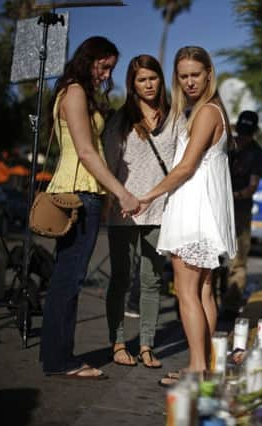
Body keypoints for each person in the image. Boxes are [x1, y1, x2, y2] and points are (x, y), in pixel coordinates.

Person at [40, 36, 140, 379]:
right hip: (79, 192)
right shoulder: (76, 92)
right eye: (103, 65)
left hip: (79, 190)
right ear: (88, 58)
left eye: (111, 67)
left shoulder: (72, 90)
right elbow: (86, 152)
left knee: (65, 278)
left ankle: (56, 356)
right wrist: (121, 192)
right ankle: (59, 360)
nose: (106, 73)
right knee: (68, 280)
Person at [134, 46, 236, 382]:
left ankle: (196, 367)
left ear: (209, 73)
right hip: (203, 211)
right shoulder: (209, 110)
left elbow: (187, 166)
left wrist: (147, 195)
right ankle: (204, 366)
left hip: (194, 211)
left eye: (195, 74)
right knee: (203, 291)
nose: (190, 81)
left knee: (188, 291)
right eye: (183, 76)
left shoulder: (206, 112)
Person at [103, 54, 176, 368]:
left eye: (153, 77)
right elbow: (108, 164)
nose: (148, 84)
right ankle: (118, 342)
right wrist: (114, 197)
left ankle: (147, 344)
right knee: (120, 278)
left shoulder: (175, 119)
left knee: (152, 281)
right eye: (141, 79)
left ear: (161, 79)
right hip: (124, 209)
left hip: (160, 211)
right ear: (132, 85)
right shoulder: (121, 119)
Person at [218, 110, 262, 319]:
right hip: (216, 207)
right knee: (212, 255)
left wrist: (233, 196)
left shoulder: (257, 153)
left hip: (241, 211)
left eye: (248, 134)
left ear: (254, 133)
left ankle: (230, 305)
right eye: (241, 132)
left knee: (238, 259)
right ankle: (208, 297)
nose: (243, 138)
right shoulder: (225, 145)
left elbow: (252, 186)